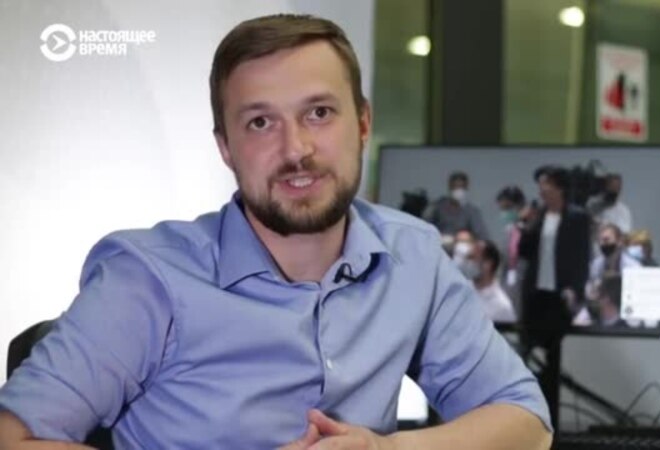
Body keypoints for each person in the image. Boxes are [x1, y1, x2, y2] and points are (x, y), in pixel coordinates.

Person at [0, 14, 552, 450]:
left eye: (319, 113)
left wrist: (386, 449)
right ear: (225, 147)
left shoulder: (412, 256)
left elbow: (527, 422)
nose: (296, 150)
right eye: (260, 122)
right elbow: (11, 436)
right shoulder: (149, 276)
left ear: (363, 123)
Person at [517, 165, 591, 430]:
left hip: (559, 297)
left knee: (553, 364)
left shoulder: (577, 217)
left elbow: (581, 256)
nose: (541, 189)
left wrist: (575, 289)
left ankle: (552, 426)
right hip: (536, 295)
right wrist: (524, 224)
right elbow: (524, 251)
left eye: (546, 184)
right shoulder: (539, 216)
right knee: (527, 359)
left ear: (559, 188)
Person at [425, 172, 489, 240]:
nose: (458, 190)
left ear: (466, 188)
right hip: (440, 242)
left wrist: (480, 241)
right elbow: (427, 224)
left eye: (461, 187)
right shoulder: (438, 207)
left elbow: (481, 232)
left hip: (462, 243)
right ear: (450, 187)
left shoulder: (472, 211)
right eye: (455, 187)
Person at [470, 240, 517, 324]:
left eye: (473, 258)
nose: (468, 263)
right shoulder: (459, 293)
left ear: (488, 264)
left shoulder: (502, 306)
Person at [495, 185, 527, 288]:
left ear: (519, 206)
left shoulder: (527, 230)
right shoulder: (509, 230)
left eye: (508, 208)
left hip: (522, 280)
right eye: (502, 209)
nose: (505, 213)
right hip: (507, 280)